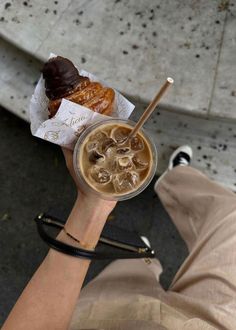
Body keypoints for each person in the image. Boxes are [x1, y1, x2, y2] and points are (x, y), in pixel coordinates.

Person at [2, 146, 236, 330]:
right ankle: (178, 177)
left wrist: (91, 207)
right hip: (213, 321)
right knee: (231, 218)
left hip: (103, 317)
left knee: (129, 268)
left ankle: (141, 257)